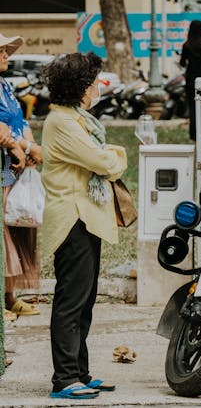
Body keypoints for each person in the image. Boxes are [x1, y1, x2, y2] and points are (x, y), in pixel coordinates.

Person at [40, 52, 128, 399]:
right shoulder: (62, 123)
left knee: (84, 300)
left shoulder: (77, 119)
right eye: (93, 83)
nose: (97, 88)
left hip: (86, 217)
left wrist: (110, 156)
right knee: (71, 301)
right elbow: (102, 161)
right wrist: (118, 155)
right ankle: (64, 379)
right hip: (72, 219)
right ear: (80, 88)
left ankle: (80, 372)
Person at [0, 32, 42, 322]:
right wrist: (18, 146)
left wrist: (29, 146)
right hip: (4, 166)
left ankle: (10, 297)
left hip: (14, 171)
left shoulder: (5, 85)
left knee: (16, 229)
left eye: (6, 51)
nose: (6, 56)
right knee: (3, 236)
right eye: (1, 51)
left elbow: (20, 120)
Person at [179, 20, 201, 140]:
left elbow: (182, 63)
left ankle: (193, 133)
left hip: (191, 79)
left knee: (192, 108)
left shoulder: (186, 46)